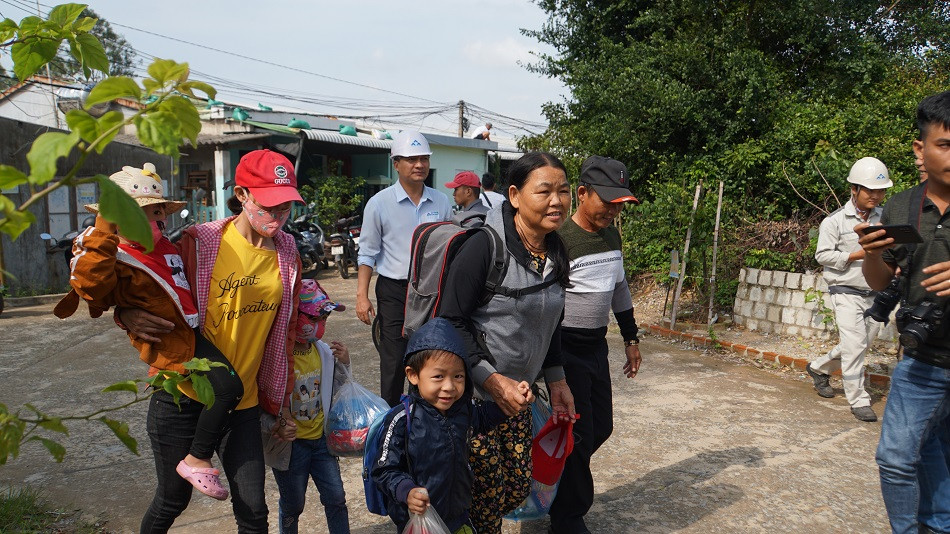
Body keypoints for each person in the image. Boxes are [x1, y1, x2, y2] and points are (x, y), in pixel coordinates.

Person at [117, 149, 303, 533]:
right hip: (182, 394)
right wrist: (126, 314)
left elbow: (286, 329)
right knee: (171, 500)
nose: (278, 216)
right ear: (242, 194)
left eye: (286, 206)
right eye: (269, 205)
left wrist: (283, 402)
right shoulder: (197, 241)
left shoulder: (287, 252)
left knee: (254, 510)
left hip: (243, 402)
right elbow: (149, 286)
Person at [54, 163, 244, 500]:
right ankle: (197, 460)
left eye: (159, 211)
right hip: (174, 344)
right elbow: (92, 285)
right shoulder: (114, 253)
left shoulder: (168, 247)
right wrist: (104, 231)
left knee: (227, 390)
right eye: (144, 212)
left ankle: (197, 458)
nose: (157, 219)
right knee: (229, 387)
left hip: (193, 333)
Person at [438, 151, 577, 534]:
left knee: (515, 488)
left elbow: (550, 323)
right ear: (514, 196)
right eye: (544, 191)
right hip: (474, 401)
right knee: (484, 500)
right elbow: (450, 321)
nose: (556, 200)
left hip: (517, 398)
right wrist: (491, 379)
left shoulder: (555, 250)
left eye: (563, 191)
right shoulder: (484, 248)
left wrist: (557, 380)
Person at [858, 90, 950, 534]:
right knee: (896, 457)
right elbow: (881, 281)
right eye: (946, 145)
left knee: (939, 453)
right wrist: (872, 255)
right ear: (921, 148)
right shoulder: (900, 208)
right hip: (923, 358)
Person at [548, 156, 643, 534]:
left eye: (620, 204)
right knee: (579, 433)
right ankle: (568, 517)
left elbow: (619, 288)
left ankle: (554, 489)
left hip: (596, 348)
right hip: (564, 347)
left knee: (600, 426)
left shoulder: (612, 236)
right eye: (607, 202)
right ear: (582, 193)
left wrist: (630, 337)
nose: (613, 211)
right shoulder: (559, 242)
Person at [372, 317, 514, 534]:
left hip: (459, 516)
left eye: (458, 376)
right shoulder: (402, 419)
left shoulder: (463, 410)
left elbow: (484, 418)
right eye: (438, 376)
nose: (449, 387)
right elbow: (384, 469)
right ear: (413, 375)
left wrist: (511, 403)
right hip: (420, 521)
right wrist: (407, 491)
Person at [356, 130, 452, 406]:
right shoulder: (379, 204)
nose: (419, 164)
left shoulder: (441, 201)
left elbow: (449, 246)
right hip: (394, 290)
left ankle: (424, 415)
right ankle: (391, 419)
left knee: (430, 355)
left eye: (423, 158)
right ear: (396, 163)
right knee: (394, 358)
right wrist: (362, 296)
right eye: (411, 159)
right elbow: (367, 253)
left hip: (432, 291)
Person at [807, 157, 893, 423]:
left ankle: (819, 368)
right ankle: (859, 399)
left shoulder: (886, 218)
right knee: (855, 345)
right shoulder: (834, 222)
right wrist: (856, 255)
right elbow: (822, 255)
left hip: (875, 293)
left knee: (858, 345)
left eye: (881, 191)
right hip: (844, 290)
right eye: (871, 190)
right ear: (854, 189)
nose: (876, 196)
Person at [270, 279, 351, 534]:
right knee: (293, 504)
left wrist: (345, 363)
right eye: (314, 319)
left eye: (324, 320)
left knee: (336, 497)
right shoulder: (278, 355)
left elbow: (339, 388)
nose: (320, 327)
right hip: (291, 447)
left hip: (321, 442)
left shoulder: (324, 352)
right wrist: (277, 424)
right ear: (293, 317)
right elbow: (265, 399)